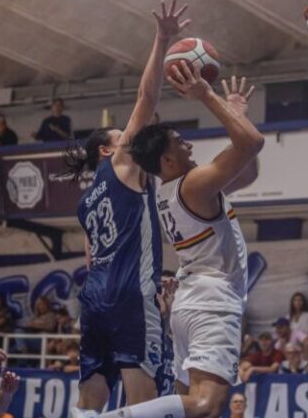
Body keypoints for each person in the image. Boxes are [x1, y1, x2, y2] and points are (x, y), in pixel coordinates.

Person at [108, 67, 263, 415]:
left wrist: (235, 114)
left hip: (190, 302)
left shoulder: (174, 190)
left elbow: (249, 166)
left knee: (189, 410)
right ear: (166, 159)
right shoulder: (193, 184)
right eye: (180, 142)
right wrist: (207, 95)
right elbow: (252, 143)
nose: (188, 144)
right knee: (207, 405)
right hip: (212, 300)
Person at [65, 0, 191, 418]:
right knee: (145, 401)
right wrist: (162, 39)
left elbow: (89, 259)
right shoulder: (121, 163)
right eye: (122, 135)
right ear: (108, 148)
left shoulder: (85, 202)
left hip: (94, 295)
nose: (131, 137)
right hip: (129, 295)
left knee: (89, 400)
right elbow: (146, 96)